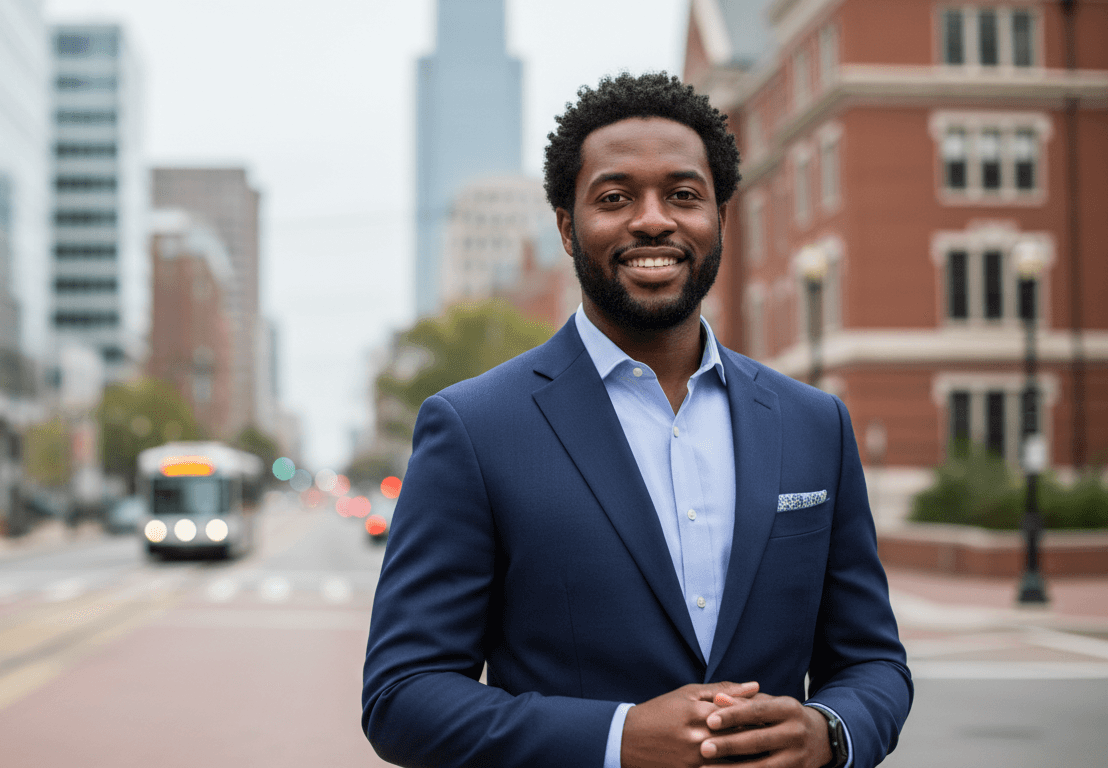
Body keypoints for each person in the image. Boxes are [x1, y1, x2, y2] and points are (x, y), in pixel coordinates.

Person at [362, 72, 911, 768]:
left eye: (684, 195)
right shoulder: (473, 428)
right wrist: (617, 738)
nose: (654, 219)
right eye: (615, 197)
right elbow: (403, 697)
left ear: (719, 217)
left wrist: (831, 733)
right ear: (567, 226)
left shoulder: (815, 423)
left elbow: (873, 663)